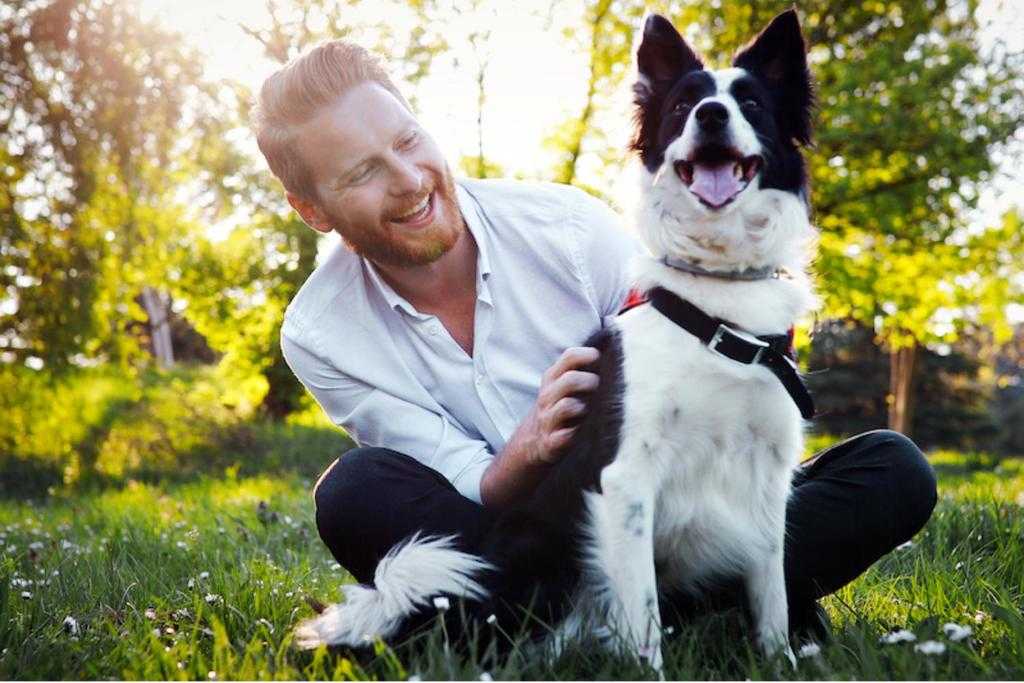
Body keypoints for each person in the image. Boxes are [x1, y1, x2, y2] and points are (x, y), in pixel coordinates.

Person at [252, 40, 937, 640]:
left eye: (406, 141)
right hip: (515, 538)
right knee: (352, 492)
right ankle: (643, 607)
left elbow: (714, 381)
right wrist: (523, 453)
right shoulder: (322, 333)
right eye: (362, 172)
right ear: (312, 210)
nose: (408, 180)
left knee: (891, 469)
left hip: (676, 517)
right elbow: (452, 472)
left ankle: (524, 621)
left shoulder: (572, 228)